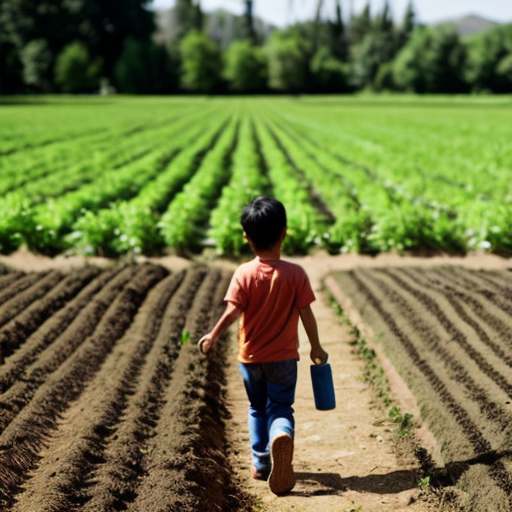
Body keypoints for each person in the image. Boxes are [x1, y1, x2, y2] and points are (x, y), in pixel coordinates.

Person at [197, 196, 328, 496]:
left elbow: (232, 312)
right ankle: (281, 434)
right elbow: (306, 314)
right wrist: (316, 348)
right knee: (280, 407)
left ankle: (261, 463)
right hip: (283, 359)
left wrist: (213, 335)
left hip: (250, 359)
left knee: (257, 408)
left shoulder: (243, 273)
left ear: (247, 237)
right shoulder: (295, 274)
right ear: (284, 232)